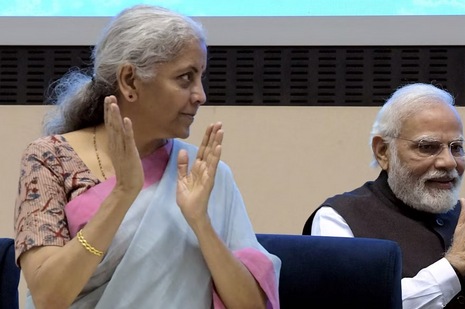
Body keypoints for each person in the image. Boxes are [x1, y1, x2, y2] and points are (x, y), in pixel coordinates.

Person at [13, 5, 280, 309]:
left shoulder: (202, 174)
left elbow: (253, 306)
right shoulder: (50, 159)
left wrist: (200, 223)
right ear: (129, 81)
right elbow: (49, 297)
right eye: (185, 78)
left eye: (200, 77)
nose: (200, 95)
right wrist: (124, 192)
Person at [303, 83, 465, 308]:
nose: (448, 162)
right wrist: (455, 265)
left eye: (456, 147)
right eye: (427, 147)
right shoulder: (339, 217)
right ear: (383, 152)